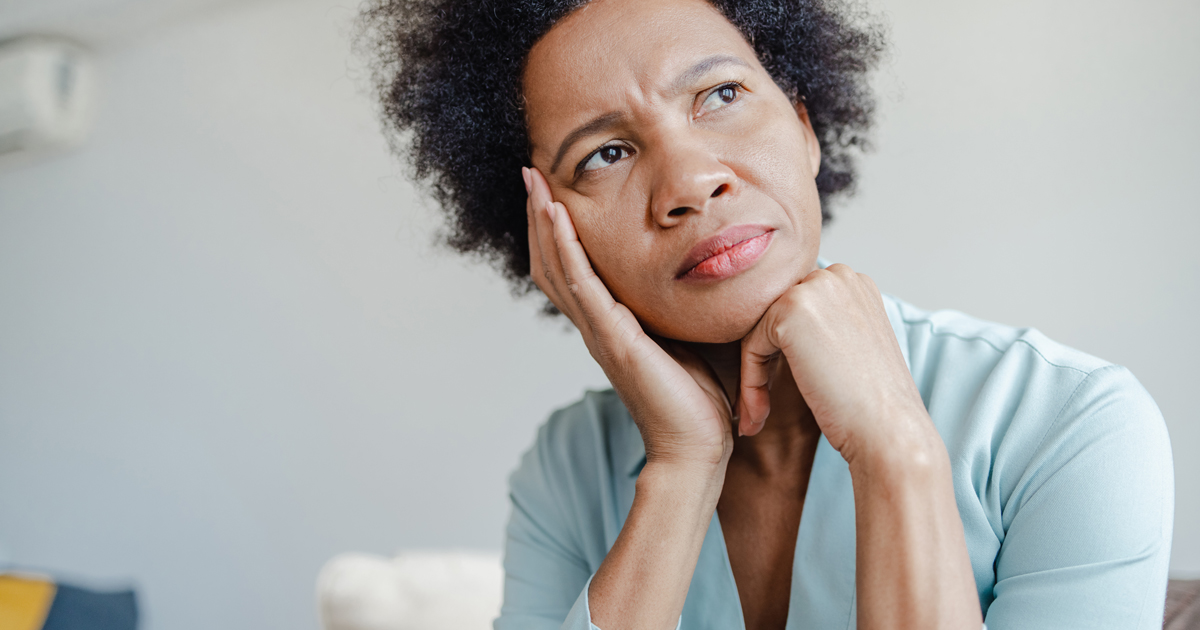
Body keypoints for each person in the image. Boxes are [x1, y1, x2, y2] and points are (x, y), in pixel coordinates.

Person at [358, 0, 1175, 627]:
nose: (688, 184)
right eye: (605, 153)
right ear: (547, 231)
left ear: (806, 130)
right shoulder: (570, 468)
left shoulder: (1072, 423)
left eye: (721, 93)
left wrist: (895, 448)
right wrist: (680, 467)